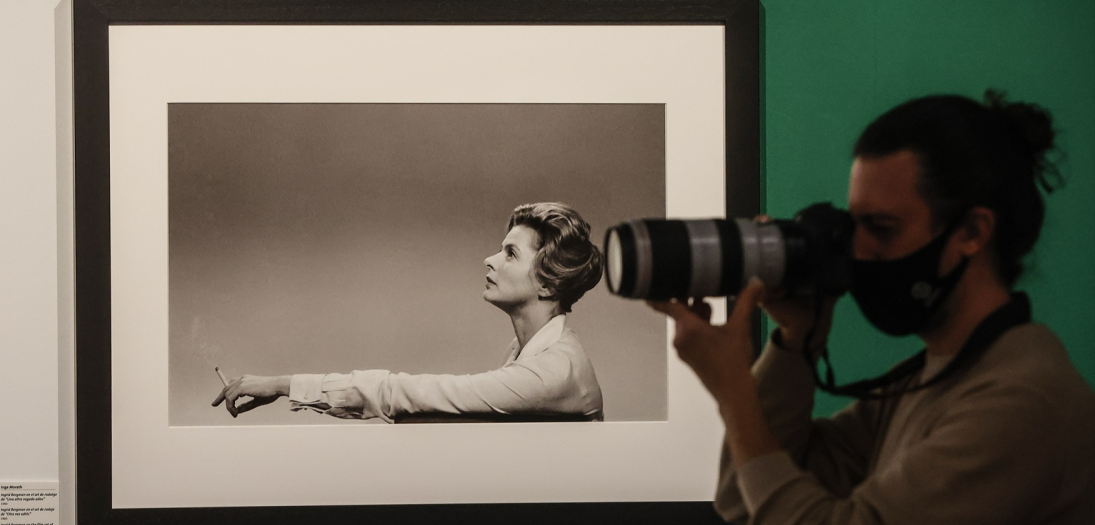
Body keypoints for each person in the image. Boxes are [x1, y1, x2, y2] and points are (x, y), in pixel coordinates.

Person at [650, 91, 1095, 524]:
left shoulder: (1020, 402)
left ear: (972, 233)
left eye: (881, 228)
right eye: (853, 226)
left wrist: (734, 392)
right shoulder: (934, 377)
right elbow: (746, 502)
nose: (856, 252)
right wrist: (796, 341)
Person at [212, 202, 606, 423]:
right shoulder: (528, 352)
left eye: (510, 253)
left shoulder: (551, 372)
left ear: (547, 283)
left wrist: (284, 384)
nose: (489, 260)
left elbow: (411, 394)